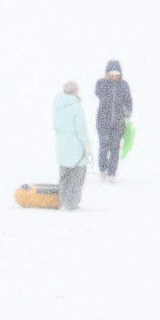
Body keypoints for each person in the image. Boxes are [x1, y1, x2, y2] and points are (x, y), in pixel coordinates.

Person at [53, 81, 93, 210]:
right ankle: (72, 204)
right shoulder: (77, 108)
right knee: (77, 176)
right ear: (76, 92)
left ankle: (63, 201)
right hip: (76, 145)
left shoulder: (56, 106)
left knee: (64, 176)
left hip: (61, 144)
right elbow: (81, 130)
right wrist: (87, 145)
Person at [94, 60, 133, 183]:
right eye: (111, 73)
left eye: (116, 73)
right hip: (103, 122)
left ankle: (112, 173)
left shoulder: (124, 85)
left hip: (118, 123)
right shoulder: (101, 83)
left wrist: (127, 111)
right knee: (104, 146)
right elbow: (98, 93)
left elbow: (129, 100)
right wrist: (106, 81)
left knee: (115, 148)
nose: (114, 75)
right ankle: (102, 169)